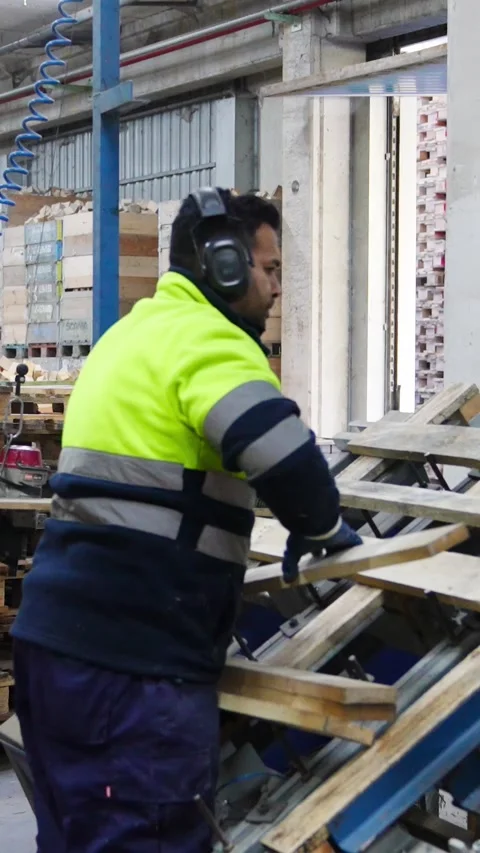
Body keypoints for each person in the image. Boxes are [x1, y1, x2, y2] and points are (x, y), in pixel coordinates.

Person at [11, 187, 361, 852]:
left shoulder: (128, 335)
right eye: (270, 268)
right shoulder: (209, 339)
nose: (276, 287)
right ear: (225, 265)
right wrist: (322, 528)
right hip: (134, 669)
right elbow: (285, 459)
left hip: (57, 649)